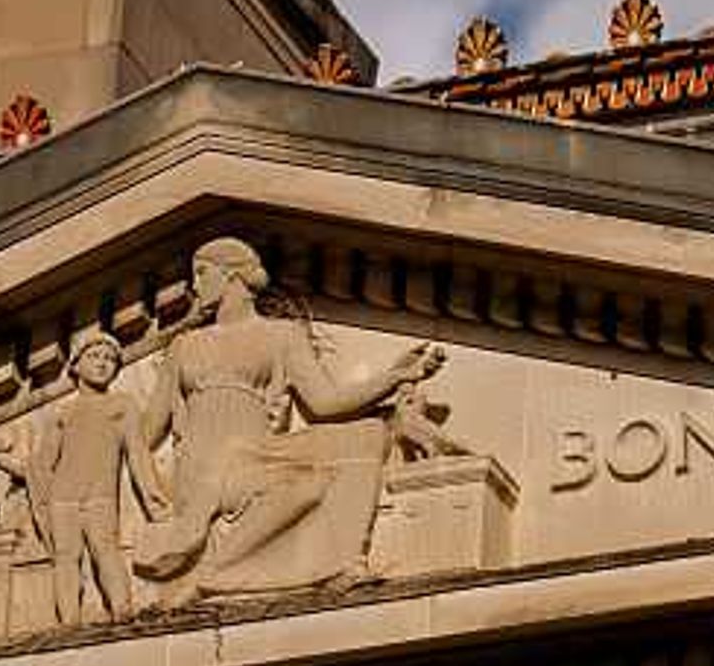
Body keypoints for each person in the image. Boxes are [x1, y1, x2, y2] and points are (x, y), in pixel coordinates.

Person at [134, 237, 444, 596]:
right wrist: (148, 488)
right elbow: (143, 433)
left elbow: (326, 402)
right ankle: (221, 572)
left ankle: (345, 561)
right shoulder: (185, 346)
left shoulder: (281, 335)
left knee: (367, 433)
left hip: (258, 454)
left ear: (231, 276)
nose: (194, 285)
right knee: (304, 484)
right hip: (206, 469)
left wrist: (393, 377)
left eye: (202, 273)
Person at [33, 330, 167, 625]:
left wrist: (152, 492)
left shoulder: (121, 405)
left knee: (105, 550)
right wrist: (40, 502)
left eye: (110, 359)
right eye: (94, 356)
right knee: (66, 558)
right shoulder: (62, 412)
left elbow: (137, 454)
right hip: (62, 500)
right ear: (76, 365)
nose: (103, 363)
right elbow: (43, 465)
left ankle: (121, 608)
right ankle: (69, 619)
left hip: (99, 497)